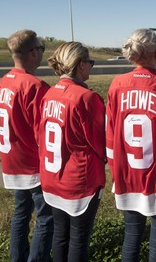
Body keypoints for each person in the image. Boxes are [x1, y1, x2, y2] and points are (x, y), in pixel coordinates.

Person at [105, 29, 156, 262]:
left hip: (128, 173)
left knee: (131, 237)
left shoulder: (117, 84)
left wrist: (115, 170)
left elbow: (110, 133)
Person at [38, 42, 106, 262]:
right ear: (80, 65)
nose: (91, 67)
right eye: (90, 62)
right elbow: (99, 143)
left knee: (60, 234)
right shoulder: (86, 97)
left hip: (52, 176)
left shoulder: (49, 94)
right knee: (78, 238)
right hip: (78, 181)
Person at [0, 29, 54, 262]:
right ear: (32, 53)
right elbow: (42, 131)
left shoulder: (4, 82)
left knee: (21, 212)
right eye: (41, 48)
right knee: (45, 216)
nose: (41, 53)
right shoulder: (35, 86)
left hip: (12, 159)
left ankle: (17, 256)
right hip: (32, 163)